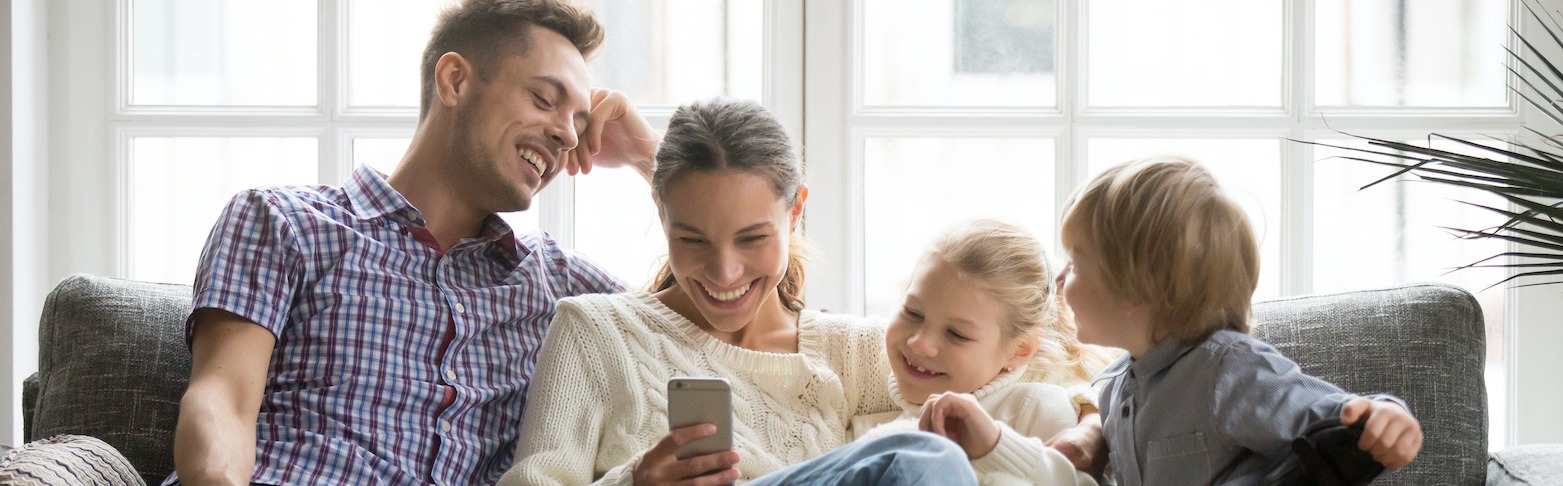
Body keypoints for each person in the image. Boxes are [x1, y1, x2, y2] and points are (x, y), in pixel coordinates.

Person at [168, 0, 660, 484]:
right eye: (544, 100)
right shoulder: (285, 222)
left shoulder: (559, 286)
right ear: (455, 81)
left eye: (578, 123)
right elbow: (222, 402)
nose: (567, 137)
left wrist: (650, 159)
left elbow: (719, 309)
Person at [501, 97, 978, 485]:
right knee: (925, 457)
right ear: (660, 214)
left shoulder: (857, 353)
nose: (725, 273)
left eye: (753, 239)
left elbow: (1004, 392)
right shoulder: (596, 333)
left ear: (795, 213)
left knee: (931, 459)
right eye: (692, 240)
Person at [1055, 156, 1425, 485]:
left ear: (1136, 287)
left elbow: (1336, 420)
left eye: (1074, 263)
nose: (1059, 279)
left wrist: (1387, 415)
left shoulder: (1227, 370)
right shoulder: (1115, 386)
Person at [849, 219, 1112, 485]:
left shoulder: (1037, 407)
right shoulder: (871, 425)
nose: (920, 343)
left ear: (1019, 350)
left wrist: (996, 448)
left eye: (956, 334)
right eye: (912, 312)